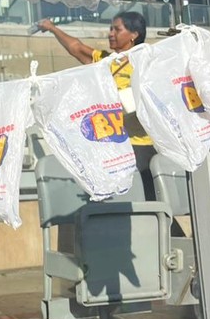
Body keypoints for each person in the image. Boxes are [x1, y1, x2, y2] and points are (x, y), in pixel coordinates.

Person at [36, 11, 156, 197]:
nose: (110, 33)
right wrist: (52, 28)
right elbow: (76, 47)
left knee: (146, 199)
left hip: (140, 146)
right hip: (111, 145)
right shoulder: (104, 61)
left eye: (117, 29)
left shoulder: (147, 62)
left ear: (134, 35)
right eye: (110, 29)